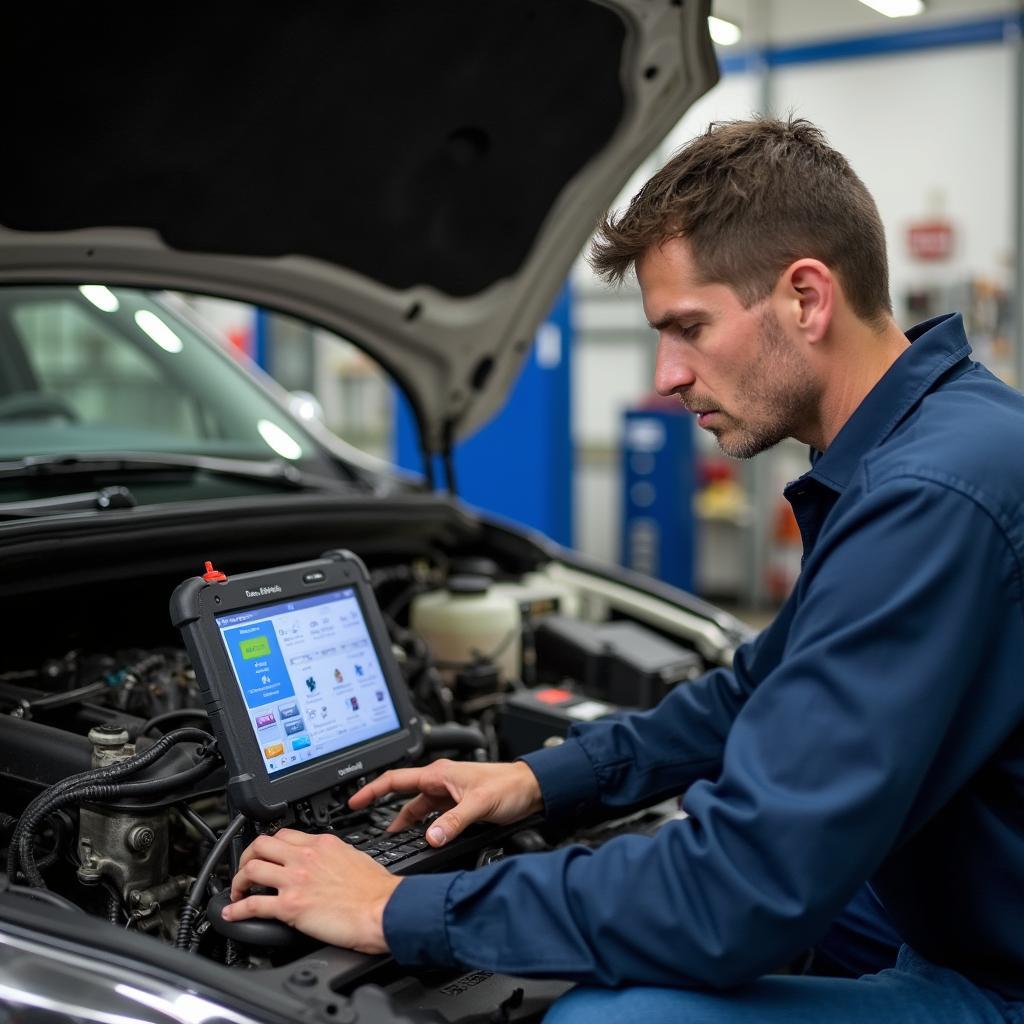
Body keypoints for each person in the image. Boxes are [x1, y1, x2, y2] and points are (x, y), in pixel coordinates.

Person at [222, 118, 1024, 1023]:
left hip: (997, 975)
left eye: (689, 328)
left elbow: (739, 896)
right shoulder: (938, 437)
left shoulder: (928, 498)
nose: (667, 375)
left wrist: (394, 908)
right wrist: (541, 781)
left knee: (603, 1018)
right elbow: (755, 693)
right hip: (975, 907)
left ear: (806, 297)